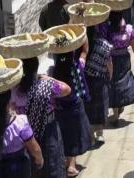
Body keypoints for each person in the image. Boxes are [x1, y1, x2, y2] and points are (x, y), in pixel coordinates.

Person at [12, 57, 71, 178]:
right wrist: (49, 78)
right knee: (52, 163)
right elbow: (67, 89)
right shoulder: (47, 85)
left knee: (32, 166)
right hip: (48, 130)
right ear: (35, 69)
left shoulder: (13, 89)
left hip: (25, 135)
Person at [0, 90, 44, 178]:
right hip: (16, 170)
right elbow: (35, 149)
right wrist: (40, 161)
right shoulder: (20, 123)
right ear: (8, 102)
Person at [50, 43, 92, 177]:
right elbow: (85, 52)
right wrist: (83, 34)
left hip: (59, 109)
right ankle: (71, 166)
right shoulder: (78, 66)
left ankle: (66, 162)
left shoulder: (52, 72)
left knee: (64, 134)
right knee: (74, 135)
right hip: (74, 107)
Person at [107, 12, 134, 126]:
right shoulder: (128, 29)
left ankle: (116, 113)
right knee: (123, 82)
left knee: (113, 83)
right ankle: (120, 106)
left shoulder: (108, 31)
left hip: (112, 61)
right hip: (124, 59)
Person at [83, 23, 114, 145]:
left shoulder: (82, 46)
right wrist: (110, 74)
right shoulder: (104, 44)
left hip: (86, 81)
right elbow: (109, 62)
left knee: (88, 107)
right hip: (100, 80)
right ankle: (99, 134)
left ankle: (90, 136)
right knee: (100, 106)